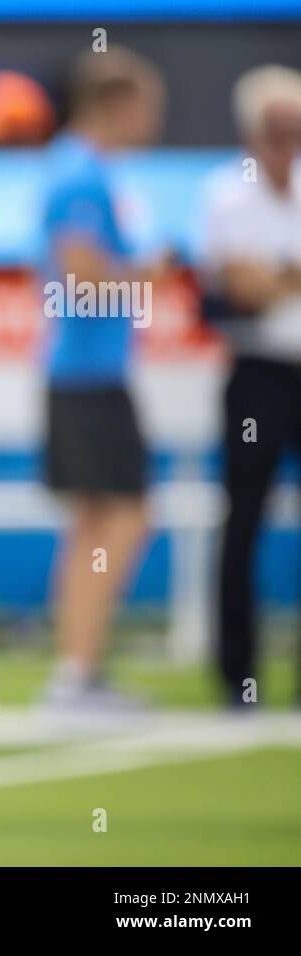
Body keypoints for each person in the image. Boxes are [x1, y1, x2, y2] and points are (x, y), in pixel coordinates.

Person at [38, 48, 172, 710]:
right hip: (88, 373)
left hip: (86, 371)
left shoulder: (80, 170)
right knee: (122, 514)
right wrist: (150, 275)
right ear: (117, 105)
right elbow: (81, 277)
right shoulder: (81, 175)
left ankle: (79, 670)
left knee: (96, 519)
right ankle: (76, 672)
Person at [198, 65, 301, 709]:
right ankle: (239, 675)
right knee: (243, 524)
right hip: (258, 373)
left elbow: (263, 281)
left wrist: (276, 277)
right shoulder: (225, 194)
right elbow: (237, 288)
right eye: (275, 129)